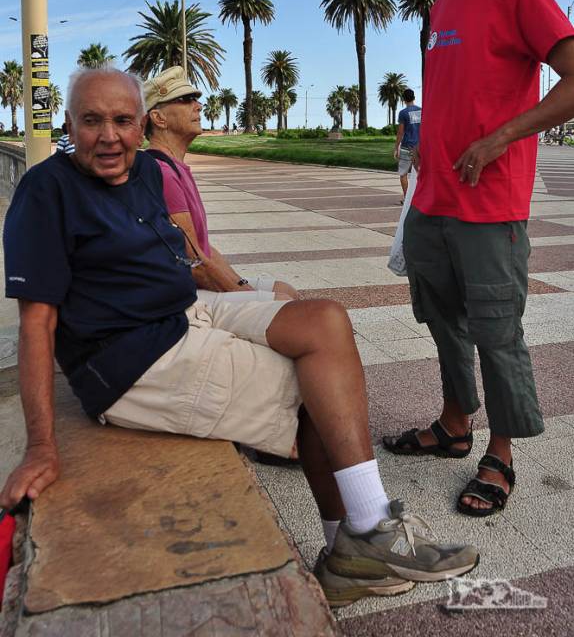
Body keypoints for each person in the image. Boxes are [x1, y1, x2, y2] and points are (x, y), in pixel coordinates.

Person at [1, 68, 478, 607]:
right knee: (312, 384)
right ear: (68, 124)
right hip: (133, 355)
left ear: (141, 125)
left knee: (323, 321)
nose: (109, 136)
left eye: (122, 121)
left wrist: (241, 290)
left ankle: (353, 547)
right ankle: (364, 533)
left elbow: (186, 256)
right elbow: (36, 323)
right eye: (91, 121)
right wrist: (41, 446)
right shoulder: (47, 190)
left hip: (186, 311)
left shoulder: (144, 172)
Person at [382, 0, 574, 518]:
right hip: (431, 201)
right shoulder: (440, 8)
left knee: (497, 332)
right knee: (443, 321)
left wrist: (502, 137)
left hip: (490, 207)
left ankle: (502, 453)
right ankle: (454, 424)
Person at [143, 66, 297, 303]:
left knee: (285, 290)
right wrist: (250, 299)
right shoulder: (162, 173)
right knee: (290, 306)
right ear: (158, 118)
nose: (198, 106)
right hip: (184, 293)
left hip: (196, 282)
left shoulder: (174, 167)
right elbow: (195, 263)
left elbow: (204, 248)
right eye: (185, 100)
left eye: (195, 99)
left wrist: (242, 285)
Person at [393, 88, 421, 202]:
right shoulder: (421, 111)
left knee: (403, 173)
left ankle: (407, 199)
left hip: (406, 146)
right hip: (420, 147)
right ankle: (420, 198)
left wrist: (396, 147)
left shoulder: (403, 113)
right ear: (414, 97)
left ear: (403, 99)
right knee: (420, 173)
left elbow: (400, 132)